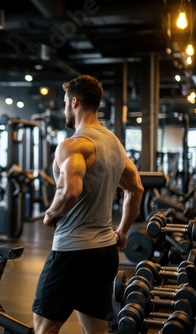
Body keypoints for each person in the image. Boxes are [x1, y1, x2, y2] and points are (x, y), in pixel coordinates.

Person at [31, 75, 144, 334]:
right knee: (96, 328)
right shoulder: (115, 144)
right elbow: (136, 188)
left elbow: (70, 191)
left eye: (64, 103)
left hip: (73, 250)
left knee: (43, 326)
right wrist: (123, 230)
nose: (63, 110)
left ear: (74, 101)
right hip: (105, 251)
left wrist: (50, 213)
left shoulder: (73, 145)